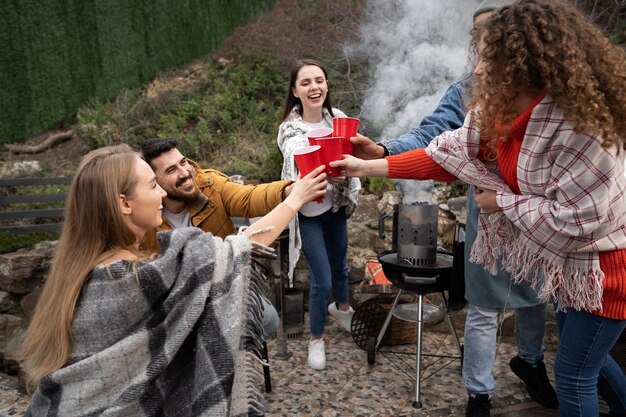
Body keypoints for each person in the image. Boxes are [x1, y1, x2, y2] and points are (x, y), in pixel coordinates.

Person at [333, 1, 626, 416]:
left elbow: (582, 219)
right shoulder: (500, 111)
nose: (478, 71)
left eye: (490, 58)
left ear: (526, 63)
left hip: (601, 269)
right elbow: (445, 153)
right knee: (589, 365)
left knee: (576, 375)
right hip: (566, 268)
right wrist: (370, 163)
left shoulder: (581, 128)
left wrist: (502, 202)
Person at [20, 144, 326, 416]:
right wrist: (295, 199)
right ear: (124, 204)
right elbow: (240, 247)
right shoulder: (142, 277)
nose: (163, 194)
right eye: (154, 185)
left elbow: (246, 205)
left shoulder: (79, 274)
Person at [139, 137, 294, 338]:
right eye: (171, 170)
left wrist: (289, 191)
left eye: (183, 162)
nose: (185, 173)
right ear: (154, 183)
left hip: (224, 281)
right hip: (177, 297)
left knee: (268, 319)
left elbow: (249, 197)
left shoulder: (209, 185)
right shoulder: (145, 213)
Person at [277, 59, 361, 370]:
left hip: (335, 207)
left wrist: (349, 169)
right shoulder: (290, 129)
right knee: (322, 279)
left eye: (319, 80)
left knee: (340, 265)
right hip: (309, 214)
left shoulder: (337, 119)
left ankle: (343, 308)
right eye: (306, 83)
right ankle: (316, 338)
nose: (315, 87)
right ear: (295, 91)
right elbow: (296, 161)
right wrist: (327, 171)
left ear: (327, 85)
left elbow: (352, 155)